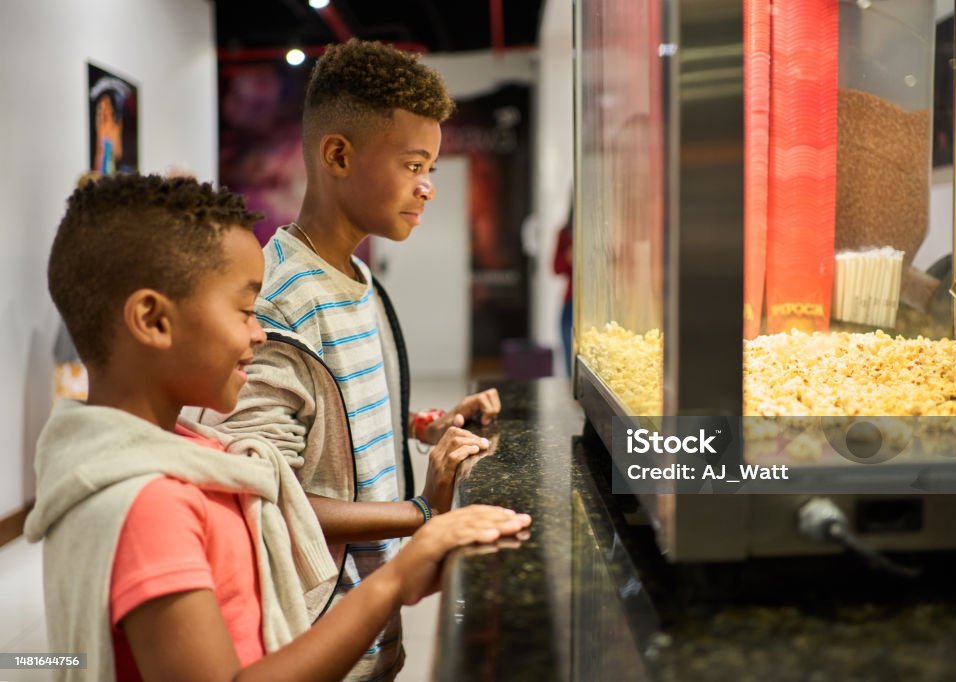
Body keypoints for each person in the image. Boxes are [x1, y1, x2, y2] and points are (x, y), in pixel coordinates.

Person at [24, 174, 530, 682]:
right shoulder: (151, 507)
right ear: (154, 321)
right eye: (244, 310)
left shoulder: (195, 449)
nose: (259, 331)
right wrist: (395, 578)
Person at [195, 39, 502, 681]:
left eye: (433, 168)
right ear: (338, 154)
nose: (428, 187)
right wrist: (422, 512)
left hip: (370, 627)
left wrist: (428, 427)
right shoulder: (279, 303)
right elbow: (265, 494)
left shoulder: (358, 275)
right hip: (315, 640)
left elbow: (343, 419)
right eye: (414, 163)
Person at [553, 207, 573, 375]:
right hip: (572, 301)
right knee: (569, 353)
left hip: (598, 304)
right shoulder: (565, 234)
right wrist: (569, 256)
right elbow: (556, 267)